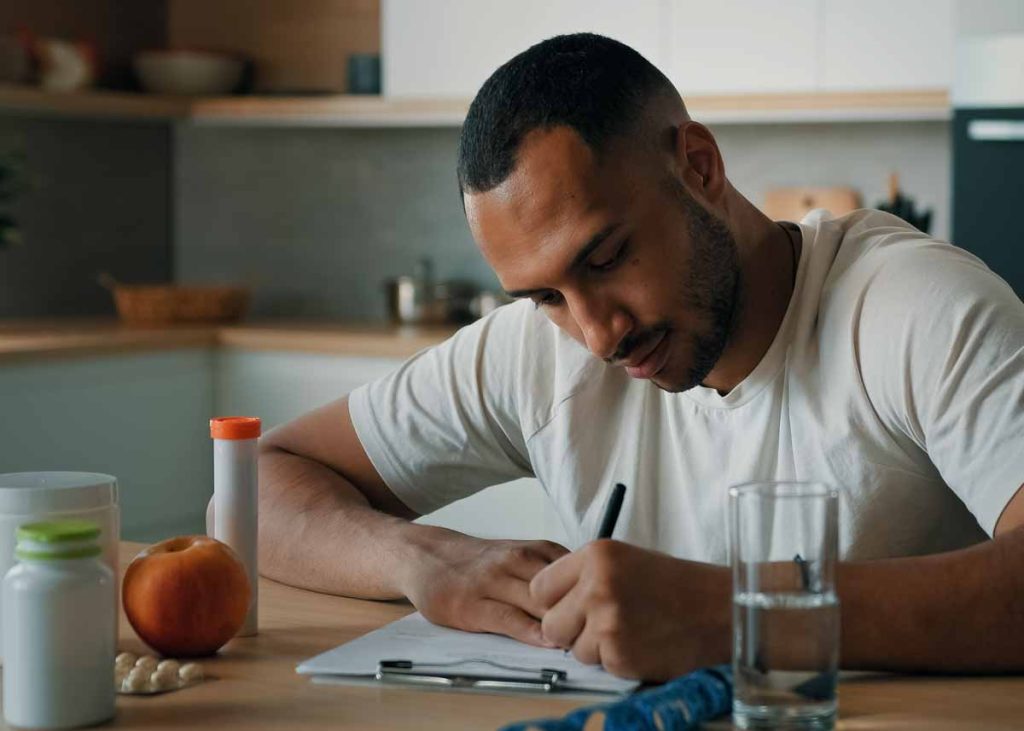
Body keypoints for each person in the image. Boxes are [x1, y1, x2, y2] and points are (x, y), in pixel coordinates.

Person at [240, 34, 1024, 681]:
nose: (595, 332)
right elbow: (254, 484)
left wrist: (730, 612)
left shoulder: (913, 305)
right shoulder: (538, 352)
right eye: (543, 296)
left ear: (699, 167)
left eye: (607, 256)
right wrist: (424, 559)